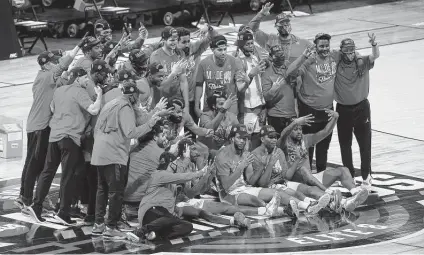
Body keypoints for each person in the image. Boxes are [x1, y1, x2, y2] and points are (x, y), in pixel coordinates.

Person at [26, 65, 103, 225]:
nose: (87, 80)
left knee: (48, 172)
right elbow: (94, 110)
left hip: (54, 136)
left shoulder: (59, 91)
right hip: (70, 138)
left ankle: (36, 205)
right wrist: (100, 96)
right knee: (68, 176)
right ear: (77, 78)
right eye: (85, 78)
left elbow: (52, 108)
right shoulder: (79, 92)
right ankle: (63, 212)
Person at [15, 40, 82, 210]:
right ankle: (27, 197)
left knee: (34, 161)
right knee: (36, 163)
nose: (57, 65)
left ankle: (26, 195)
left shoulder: (50, 80)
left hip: (38, 125)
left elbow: (64, 78)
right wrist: (77, 48)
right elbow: (61, 67)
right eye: (54, 62)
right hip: (40, 126)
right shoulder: (46, 77)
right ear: (46, 66)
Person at [90, 81, 161, 239]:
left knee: (101, 190)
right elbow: (130, 133)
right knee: (116, 193)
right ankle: (111, 227)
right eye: (137, 95)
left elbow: (96, 130)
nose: (138, 98)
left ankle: (98, 225)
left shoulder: (110, 104)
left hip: (99, 154)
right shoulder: (126, 107)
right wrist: (151, 124)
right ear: (133, 95)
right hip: (114, 155)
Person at [277, 111, 370, 212]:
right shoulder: (283, 144)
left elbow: (325, 132)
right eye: (295, 129)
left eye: (300, 129)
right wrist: (295, 122)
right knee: (305, 172)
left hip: (312, 179)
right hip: (297, 182)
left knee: (343, 170)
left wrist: (335, 118)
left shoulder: (305, 139)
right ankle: (341, 201)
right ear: (290, 130)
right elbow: (283, 135)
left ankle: (355, 193)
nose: (299, 131)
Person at [214, 124, 301, 218]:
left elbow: (251, 181)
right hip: (228, 194)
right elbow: (226, 185)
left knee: (276, 193)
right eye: (239, 138)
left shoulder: (245, 154)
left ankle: (307, 206)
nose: (242, 141)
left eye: (244, 138)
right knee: (256, 200)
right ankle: (282, 210)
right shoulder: (222, 156)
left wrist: (262, 166)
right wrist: (240, 167)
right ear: (231, 139)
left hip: (244, 187)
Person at [126, 152, 208, 242]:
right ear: (170, 164)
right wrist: (200, 172)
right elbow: (181, 176)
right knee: (170, 218)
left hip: (162, 217)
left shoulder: (170, 180)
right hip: (150, 211)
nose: (176, 166)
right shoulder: (159, 174)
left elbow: (179, 177)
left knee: (188, 226)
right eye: (174, 164)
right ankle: (139, 232)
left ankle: (154, 234)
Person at [250, 125, 331, 215]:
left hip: (282, 182)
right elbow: (262, 184)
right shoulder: (255, 155)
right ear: (262, 139)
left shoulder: (278, 151)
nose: (274, 140)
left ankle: (328, 201)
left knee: (306, 190)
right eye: (270, 137)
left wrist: (297, 159)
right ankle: (309, 206)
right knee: (293, 193)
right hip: (269, 186)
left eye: (275, 137)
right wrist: (270, 164)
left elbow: (286, 176)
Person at [334, 34, 380, 187]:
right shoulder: (336, 63)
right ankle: (349, 176)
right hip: (342, 109)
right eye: (347, 51)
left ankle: (367, 176)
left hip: (362, 107)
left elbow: (375, 56)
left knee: (365, 143)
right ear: (342, 51)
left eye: (353, 51)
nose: (350, 54)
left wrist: (374, 44)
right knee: (345, 145)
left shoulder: (363, 62)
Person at [261, 44, 314, 134]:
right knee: (276, 144)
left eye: (282, 54)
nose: (281, 57)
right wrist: (273, 90)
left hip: (291, 114)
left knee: (291, 144)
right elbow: (266, 97)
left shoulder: (288, 65)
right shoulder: (266, 73)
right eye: (277, 55)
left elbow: (296, 70)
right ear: (271, 57)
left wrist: (305, 57)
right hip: (275, 116)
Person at [176, 25, 218, 125]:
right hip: (176, 100)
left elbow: (213, 37)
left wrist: (209, 28)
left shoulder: (195, 49)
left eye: (188, 41)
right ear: (175, 42)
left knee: (192, 132)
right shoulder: (172, 55)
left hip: (192, 100)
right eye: (183, 42)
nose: (187, 45)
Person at [195, 35, 244, 117]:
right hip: (210, 106)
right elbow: (199, 85)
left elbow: (240, 87)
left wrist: (248, 79)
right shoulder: (203, 64)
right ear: (212, 50)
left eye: (225, 49)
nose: (223, 52)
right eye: (220, 50)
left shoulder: (234, 62)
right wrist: (196, 107)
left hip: (230, 106)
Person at [233, 30, 267, 149]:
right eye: (247, 44)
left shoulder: (254, 58)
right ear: (241, 45)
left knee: (258, 139)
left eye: (252, 43)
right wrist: (251, 74)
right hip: (247, 108)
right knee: (247, 141)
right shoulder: (237, 61)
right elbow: (240, 88)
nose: (251, 46)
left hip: (259, 105)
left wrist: (263, 106)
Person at [149, 26, 189, 110]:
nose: (175, 42)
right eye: (171, 40)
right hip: (160, 103)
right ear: (163, 40)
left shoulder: (180, 54)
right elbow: (159, 85)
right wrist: (173, 73)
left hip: (176, 103)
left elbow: (183, 81)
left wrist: (186, 106)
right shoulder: (155, 56)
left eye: (176, 39)